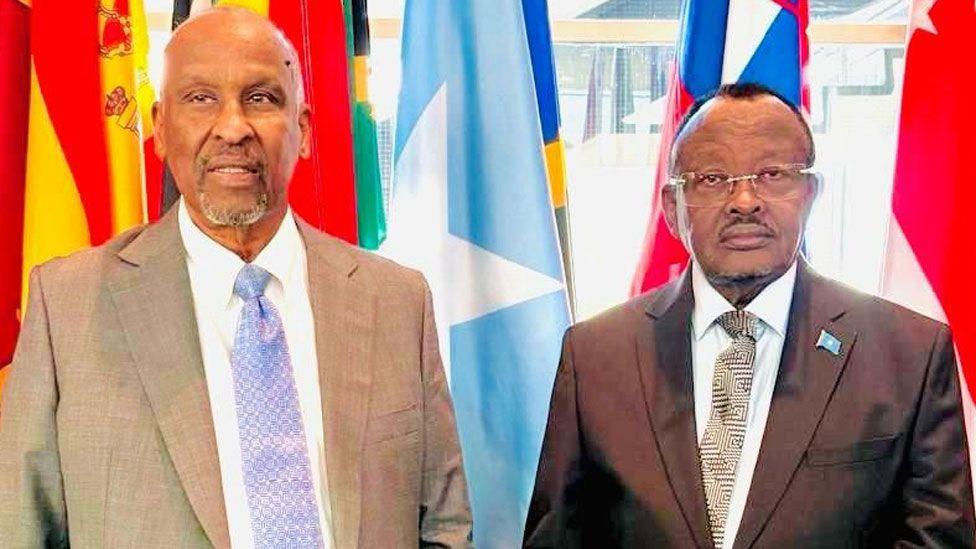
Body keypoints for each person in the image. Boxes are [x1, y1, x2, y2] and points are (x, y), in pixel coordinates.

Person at [0, 7, 471, 548]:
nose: (232, 127)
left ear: (304, 129)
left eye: (261, 98)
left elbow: (444, 526)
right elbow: (20, 528)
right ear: (159, 129)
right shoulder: (68, 307)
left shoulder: (396, 300)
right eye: (200, 99)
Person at [523, 82, 974, 548]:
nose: (744, 202)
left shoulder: (908, 355)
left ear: (810, 194)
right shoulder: (596, 357)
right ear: (673, 209)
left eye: (773, 173)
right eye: (713, 179)